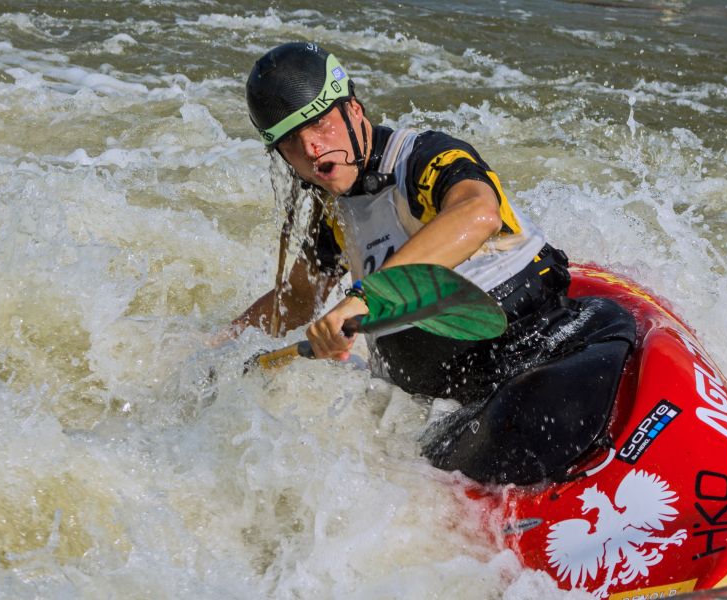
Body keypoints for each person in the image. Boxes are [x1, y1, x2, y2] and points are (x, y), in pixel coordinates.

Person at [225, 42, 636, 485]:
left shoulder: (424, 158)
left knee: (523, 426)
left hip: (541, 347)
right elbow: (299, 298)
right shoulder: (334, 214)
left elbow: (479, 213)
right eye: (291, 140)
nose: (311, 146)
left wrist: (366, 296)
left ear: (355, 111)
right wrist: (220, 348)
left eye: (321, 123)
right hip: (446, 405)